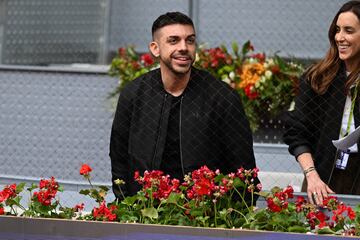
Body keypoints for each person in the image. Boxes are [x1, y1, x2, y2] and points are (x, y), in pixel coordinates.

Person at [109, 12, 258, 200]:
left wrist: (225, 219)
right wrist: (126, 205)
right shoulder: (134, 94)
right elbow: (119, 157)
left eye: (190, 40)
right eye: (173, 41)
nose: (184, 47)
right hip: (145, 211)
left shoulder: (222, 97)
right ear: (155, 49)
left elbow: (244, 170)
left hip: (205, 215)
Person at [283, 1, 360, 205]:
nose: (340, 37)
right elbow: (296, 132)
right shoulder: (317, 78)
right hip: (321, 178)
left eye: (349, 31)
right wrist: (312, 176)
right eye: (337, 30)